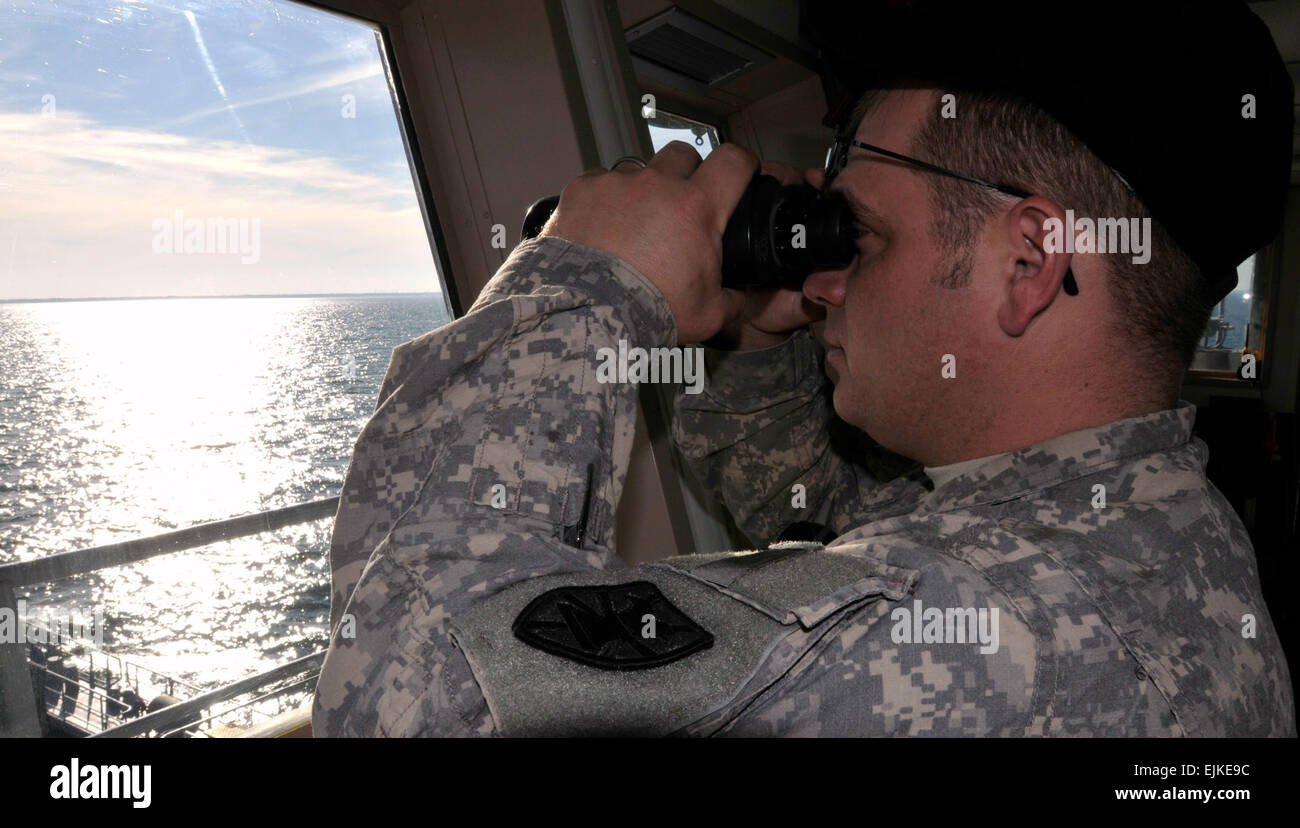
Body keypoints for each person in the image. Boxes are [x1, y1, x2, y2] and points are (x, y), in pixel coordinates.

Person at [311, 0, 1295, 736]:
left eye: (862, 236)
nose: (828, 285)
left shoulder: (1003, 627)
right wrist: (746, 339)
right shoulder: (1142, 526)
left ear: (1027, 264)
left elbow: (409, 695)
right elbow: (823, 515)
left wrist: (585, 283)